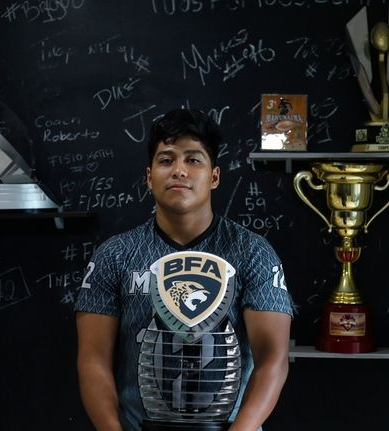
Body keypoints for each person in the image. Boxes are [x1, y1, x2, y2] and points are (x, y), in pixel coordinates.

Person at [74, 108, 293, 431]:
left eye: (193, 160)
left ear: (214, 176)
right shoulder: (116, 255)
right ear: (149, 176)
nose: (179, 171)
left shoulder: (251, 252)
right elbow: (93, 361)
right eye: (166, 160)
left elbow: (273, 359)